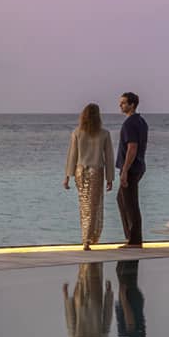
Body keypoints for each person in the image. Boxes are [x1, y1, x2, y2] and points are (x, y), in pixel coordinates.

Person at [63, 102, 114, 248]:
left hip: (80, 171)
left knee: (84, 205)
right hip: (96, 171)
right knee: (93, 206)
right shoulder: (104, 133)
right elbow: (109, 157)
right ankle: (88, 238)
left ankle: (86, 237)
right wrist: (109, 178)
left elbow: (72, 156)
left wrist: (67, 176)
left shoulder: (77, 132)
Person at [115, 91, 149, 249]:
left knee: (130, 203)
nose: (120, 105)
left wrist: (125, 170)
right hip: (139, 166)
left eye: (123, 103)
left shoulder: (129, 124)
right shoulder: (141, 122)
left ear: (132, 105)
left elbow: (132, 147)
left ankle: (134, 240)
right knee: (123, 199)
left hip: (132, 168)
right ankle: (132, 237)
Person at [62, 263, 112, 337]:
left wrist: (108, 294)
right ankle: (88, 256)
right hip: (87, 300)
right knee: (86, 273)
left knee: (90, 271)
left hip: (92, 300)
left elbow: (107, 316)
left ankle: (89, 256)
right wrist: (66, 296)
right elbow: (71, 319)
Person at [115, 259, 146, 337]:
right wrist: (123, 298)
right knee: (123, 270)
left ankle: (132, 249)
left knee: (126, 269)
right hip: (130, 299)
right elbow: (130, 322)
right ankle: (132, 248)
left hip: (134, 299)